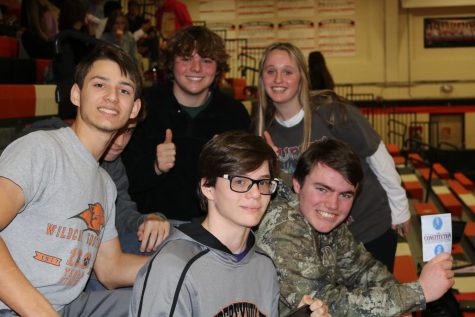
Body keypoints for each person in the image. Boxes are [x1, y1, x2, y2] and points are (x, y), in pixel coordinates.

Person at [0, 44, 148, 316]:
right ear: (77, 94)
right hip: (14, 307)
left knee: (156, 302)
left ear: (134, 108)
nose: (113, 97)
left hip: (68, 307)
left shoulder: (105, 184)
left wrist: (181, 264)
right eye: (100, 85)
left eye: (124, 90)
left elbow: (111, 269)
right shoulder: (41, 149)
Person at [129, 131, 330, 317]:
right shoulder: (174, 266)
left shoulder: (264, 266)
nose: (255, 194)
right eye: (240, 181)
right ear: (208, 187)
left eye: (263, 182)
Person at [255, 42, 410, 272]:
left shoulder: (333, 112)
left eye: (287, 71)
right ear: (262, 78)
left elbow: (378, 156)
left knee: (377, 302)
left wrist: (400, 209)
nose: (278, 79)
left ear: (301, 77)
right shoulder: (263, 131)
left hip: (368, 230)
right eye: (271, 71)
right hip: (320, 244)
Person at [257, 138, 455, 316]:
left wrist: (405, 302)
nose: (333, 205)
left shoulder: (329, 224)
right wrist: (418, 292)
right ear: (298, 184)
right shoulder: (284, 226)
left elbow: (363, 270)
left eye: (345, 195)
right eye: (322, 189)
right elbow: (322, 305)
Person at [122, 26, 251, 223]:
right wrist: (154, 166)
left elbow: (245, 186)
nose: (196, 68)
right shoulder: (144, 108)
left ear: (218, 68)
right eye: (186, 58)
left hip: (214, 230)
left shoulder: (234, 115)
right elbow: (120, 181)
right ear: (171, 64)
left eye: (206, 61)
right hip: (151, 227)